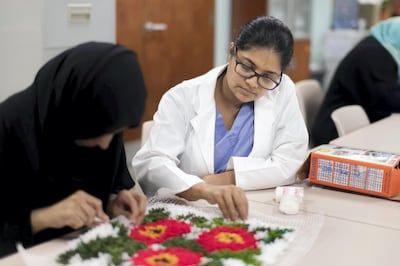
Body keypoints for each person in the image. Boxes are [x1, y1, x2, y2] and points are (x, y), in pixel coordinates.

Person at [132, 16, 309, 221]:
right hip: (184, 211)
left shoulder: (282, 89)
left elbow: (290, 162)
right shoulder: (183, 97)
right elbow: (152, 163)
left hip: (252, 211)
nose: (253, 83)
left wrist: (225, 179)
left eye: (268, 77)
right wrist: (202, 190)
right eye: (246, 67)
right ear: (231, 51)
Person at [0, 41, 148, 257]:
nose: (106, 144)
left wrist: (111, 202)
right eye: (98, 132)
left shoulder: (106, 126)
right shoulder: (9, 128)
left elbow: (104, 185)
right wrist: (44, 217)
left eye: (116, 132)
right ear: (75, 114)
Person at [311, 16, 400, 146]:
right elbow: (389, 100)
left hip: (356, 130)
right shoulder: (373, 54)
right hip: (334, 137)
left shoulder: (380, 46)